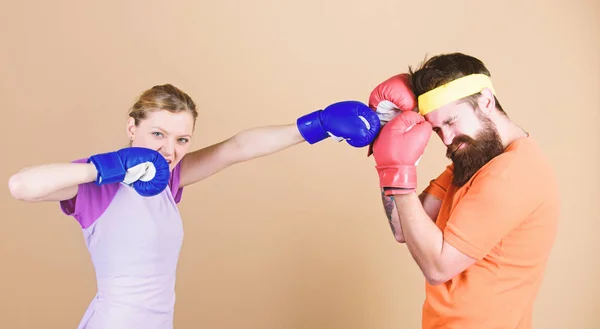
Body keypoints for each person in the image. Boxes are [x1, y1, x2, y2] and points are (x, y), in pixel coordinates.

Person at [7, 83, 381, 329]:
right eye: (158, 134)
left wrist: (316, 125)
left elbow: (237, 148)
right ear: (131, 128)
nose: (169, 151)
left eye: (181, 139)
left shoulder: (167, 178)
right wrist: (105, 167)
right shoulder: (97, 186)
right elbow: (21, 185)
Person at [367, 53, 560, 328]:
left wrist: (400, 176)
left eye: (451, 121)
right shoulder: (475, 159)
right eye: (436, 130)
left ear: (486, 101)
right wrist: (391, 157)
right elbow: (403, 228)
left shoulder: (512, 173)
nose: (446, 138)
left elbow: (437, 268)